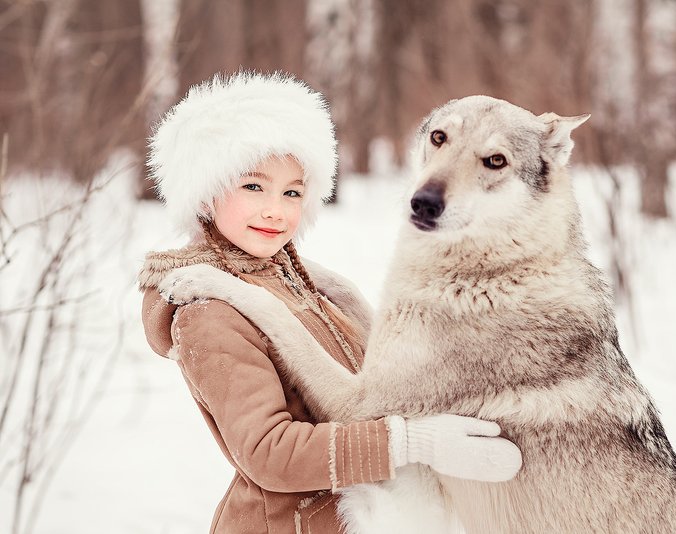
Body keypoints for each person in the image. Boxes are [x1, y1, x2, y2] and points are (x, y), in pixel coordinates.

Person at [138, 71, 521, 534]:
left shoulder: (302, 286)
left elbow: (368, 387)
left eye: (292, 192)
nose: (275, 210)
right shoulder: (209, 313)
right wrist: (413, 442)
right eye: (253, 187)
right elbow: (271, 453)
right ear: (204, 191)